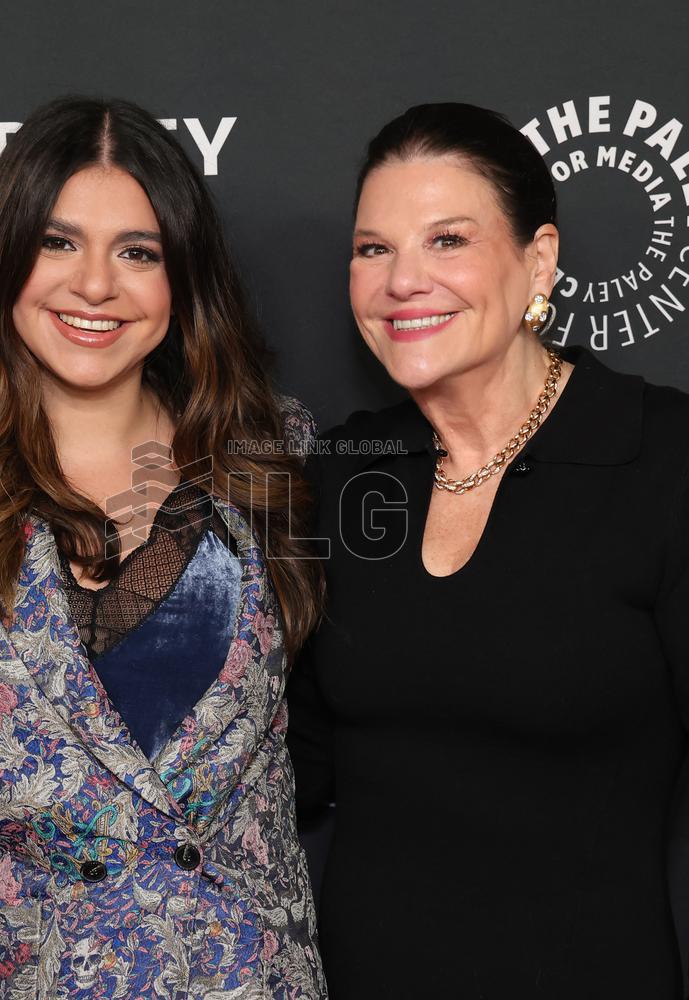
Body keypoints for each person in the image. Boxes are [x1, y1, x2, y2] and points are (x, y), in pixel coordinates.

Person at [0, 95, 327, 999]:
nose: (94, 285)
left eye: (137, 252)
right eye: (58, 243)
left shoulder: (273, 453)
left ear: (182, 279)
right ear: (3, 259)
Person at [286, 102, 689, 999]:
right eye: (372, 249)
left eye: (448, 240)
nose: (401, 282)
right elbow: (288, 765)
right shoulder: (346, 472)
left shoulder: (660, 457)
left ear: (536, 260)